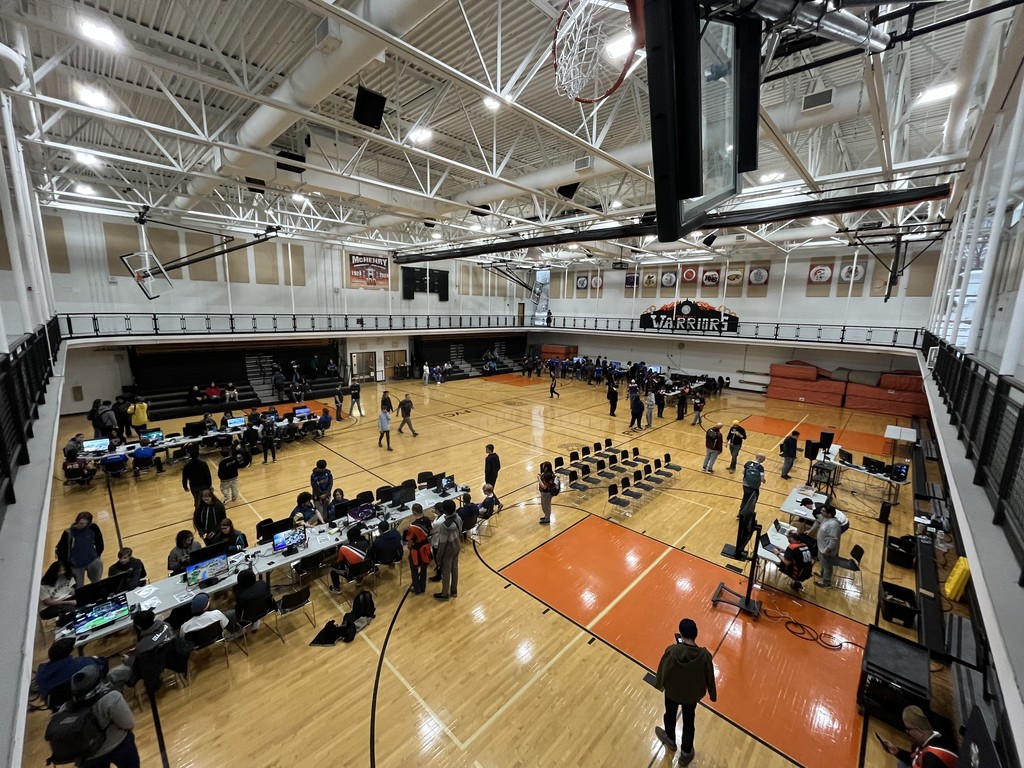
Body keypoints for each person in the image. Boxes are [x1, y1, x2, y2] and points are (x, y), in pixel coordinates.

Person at [654, 618, 717, 767]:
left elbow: (664, 669)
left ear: (680, 634)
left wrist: (659, 685)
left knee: (670, 715)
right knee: (689, 722)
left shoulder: (672, 651)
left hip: (672, 693)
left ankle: (670, 739)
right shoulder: (705, 655)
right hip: (691, 696)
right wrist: (712, 695)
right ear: (696, 634)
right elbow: (710, 676)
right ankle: (686, 753)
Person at [64, 665, 139, 768]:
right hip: (117, 746)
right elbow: (129, 723)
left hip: (87, 755)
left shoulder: (65, 708)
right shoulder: (111, 698)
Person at [878, 705, 958, 768]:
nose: (907, 731)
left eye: (908, 729)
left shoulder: (932, 760)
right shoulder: (927, 739)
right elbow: (915, 758)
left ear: (919, 731)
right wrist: (896, 751)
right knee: (901, 762)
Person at [36, 637, 108, 705]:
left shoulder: (41, 670)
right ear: (69, 653)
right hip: (84, 698)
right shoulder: (81, 663)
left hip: (56, 705)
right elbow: (101, 664)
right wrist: (95, 658)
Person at [55, 512, 105, 587]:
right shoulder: (68, 533)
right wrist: (63, 565)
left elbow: (99, 542)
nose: (84, 525)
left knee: (97, 584)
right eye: (81, 523)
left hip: (92, 561)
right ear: (77, 521)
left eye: (86, 523)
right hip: (76, 565)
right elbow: (61, 550)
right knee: (78, 587)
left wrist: (97, 555)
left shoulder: (93, 528)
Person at [433, 500, 463, 600]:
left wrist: (438, 557)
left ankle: (445, 594)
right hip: (457, 545)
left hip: (448, 550)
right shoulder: (458, 517)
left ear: (444, 510)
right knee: (455, 568)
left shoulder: (445, 526)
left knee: (446, 572)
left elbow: (442, 543)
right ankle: (454, 590)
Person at [808, 506, 842, 588]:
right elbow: (818, 522)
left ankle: (826, 582)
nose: (821, 512)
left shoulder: (833, 525)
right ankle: (822, 574)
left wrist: (827, 550)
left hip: (827, 550)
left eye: (823, 511)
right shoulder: (826, 519)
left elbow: (834, 539)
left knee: (827, 565)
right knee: (823, 563)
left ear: (829, 514)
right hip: (822, 547)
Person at [330, 527, 372, 592]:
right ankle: (359, 579)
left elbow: (340, 562)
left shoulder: (343, 548)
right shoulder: (366, 543)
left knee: (333, 568)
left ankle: (337, 588)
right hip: (367, 569)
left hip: (351, 574)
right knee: (360, 562)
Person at [404, 504, 433, 595]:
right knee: (424, 568)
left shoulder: (412, 526)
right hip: (426, 547)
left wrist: (410, 548)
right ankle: (423, 587)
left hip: (416, 550)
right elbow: (430, 531)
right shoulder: (427, 519)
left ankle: (417, 588)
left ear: (414, 512)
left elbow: (409, 542)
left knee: (414, 569)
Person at [538, 461, 557, 525]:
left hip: (546, 493)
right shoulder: (551, 473)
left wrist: (539, 479)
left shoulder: (546, 475)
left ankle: (547, 519)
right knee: (546, 505)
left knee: (546, 506)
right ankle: (546, 516)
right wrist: (541, 476)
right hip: (549, 492)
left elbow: (544, 487)